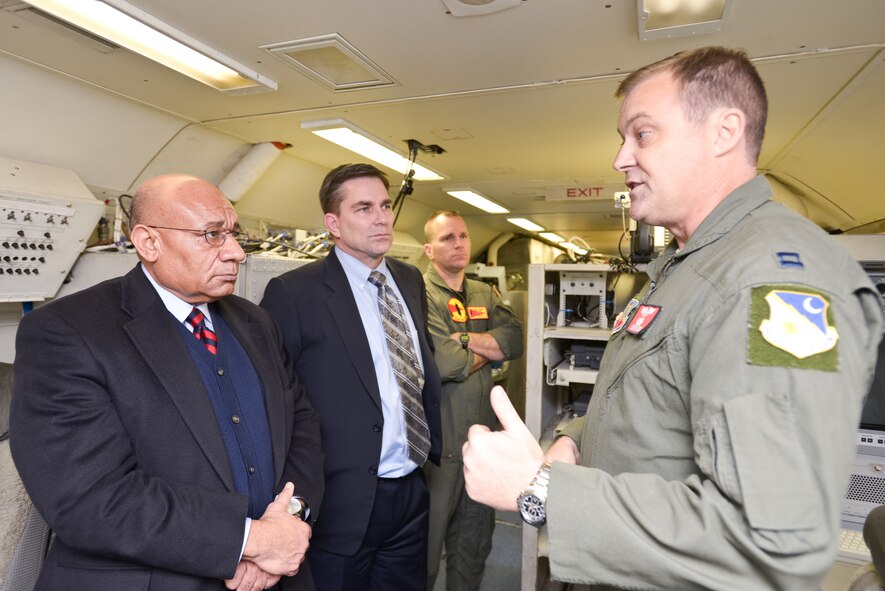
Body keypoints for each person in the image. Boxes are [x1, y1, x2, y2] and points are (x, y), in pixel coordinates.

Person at [462, 46, 884, 590]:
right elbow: (652, 407)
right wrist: (574, 437)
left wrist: (538, 489)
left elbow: (767, 543)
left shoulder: (766, 283)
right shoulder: (690, 266)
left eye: (642, 134)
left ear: (724, 131)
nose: (620, 158)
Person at [10, 173, 324, 591]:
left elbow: (301, 424)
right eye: (212, 235)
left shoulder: (255, 321)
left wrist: (290, 517)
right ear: (148, 242)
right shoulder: (67, 332)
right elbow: (90, 497)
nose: (235, 253)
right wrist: (249, 541)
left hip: (277, 573)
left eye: (233, 233)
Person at [260, 163, 443, 590]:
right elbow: (274, 401)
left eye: (384, 205)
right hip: (341, 497)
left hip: (412, 486)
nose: (381, 217)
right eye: (363, 208)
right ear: (333, 223)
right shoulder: (295, 293)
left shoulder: (409, 278)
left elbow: (417, 363)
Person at [421, 211, 523, 590]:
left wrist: (461, 339)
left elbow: (514, 340)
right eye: (448, 238)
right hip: (440, 451)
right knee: (427, 555)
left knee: (472, 548)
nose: (459, 243)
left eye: (463, 236)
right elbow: (444, 362)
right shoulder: (421, 294)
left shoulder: (484, 292)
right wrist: (485, 348)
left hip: (482, 448)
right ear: (430, 249)